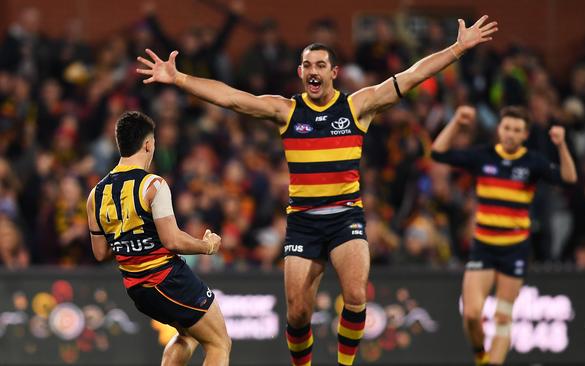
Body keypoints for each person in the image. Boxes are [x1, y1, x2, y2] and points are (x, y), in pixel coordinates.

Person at [136, 16, 498, 366]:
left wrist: (457, 49)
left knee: (356, 296)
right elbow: (232, 98)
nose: (313, 70)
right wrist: (179, 78)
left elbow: (411, 76)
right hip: (303, 221)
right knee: (297, 313)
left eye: (321, 64)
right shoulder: (287, 111)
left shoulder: (358, 106)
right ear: (300, 72)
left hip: (346, 218)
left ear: (333, 72)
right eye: (307, 64)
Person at [431, 106, 577, 365]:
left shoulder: (533, 162)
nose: (510, 134)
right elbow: (438, 153)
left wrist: (562, 144)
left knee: (502, 316)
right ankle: (481, 356)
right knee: (472, 314)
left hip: (515, 249)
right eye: (507, 128)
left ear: (525, 135)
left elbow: (568, 178)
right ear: (499, 129)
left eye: (517, 130)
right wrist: (456, 121)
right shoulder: (483, 156)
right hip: (483, 247)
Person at [86, 111, 231, 366]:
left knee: (189, 336)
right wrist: (207, 246)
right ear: (148, 144)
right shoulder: (152, 185)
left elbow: (100, 253)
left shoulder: (95, 194)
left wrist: (128, 239)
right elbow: (173, 241)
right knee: (219, 343)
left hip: (138, 290)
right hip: (167, 279)